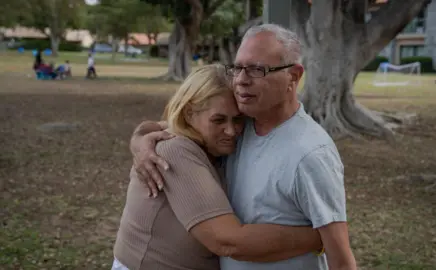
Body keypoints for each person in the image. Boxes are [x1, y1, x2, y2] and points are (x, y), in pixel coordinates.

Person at [130, 24, 357, 269]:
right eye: (238, 68)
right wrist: (141, 140)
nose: (240, 80)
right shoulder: (241, 126)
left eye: (257, 70)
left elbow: (342, 260)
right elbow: (178, 126)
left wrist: (323, 238)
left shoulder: (310, 154)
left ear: (293, 76)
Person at [112, 64, 324, 270]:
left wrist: (139, 137)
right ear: (189, 114)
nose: (231, 131)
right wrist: (321, 236)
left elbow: (155, 125)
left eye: (238, 120)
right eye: (219, 120)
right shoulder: (175, 150)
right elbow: (227, 241)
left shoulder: (215, 144)